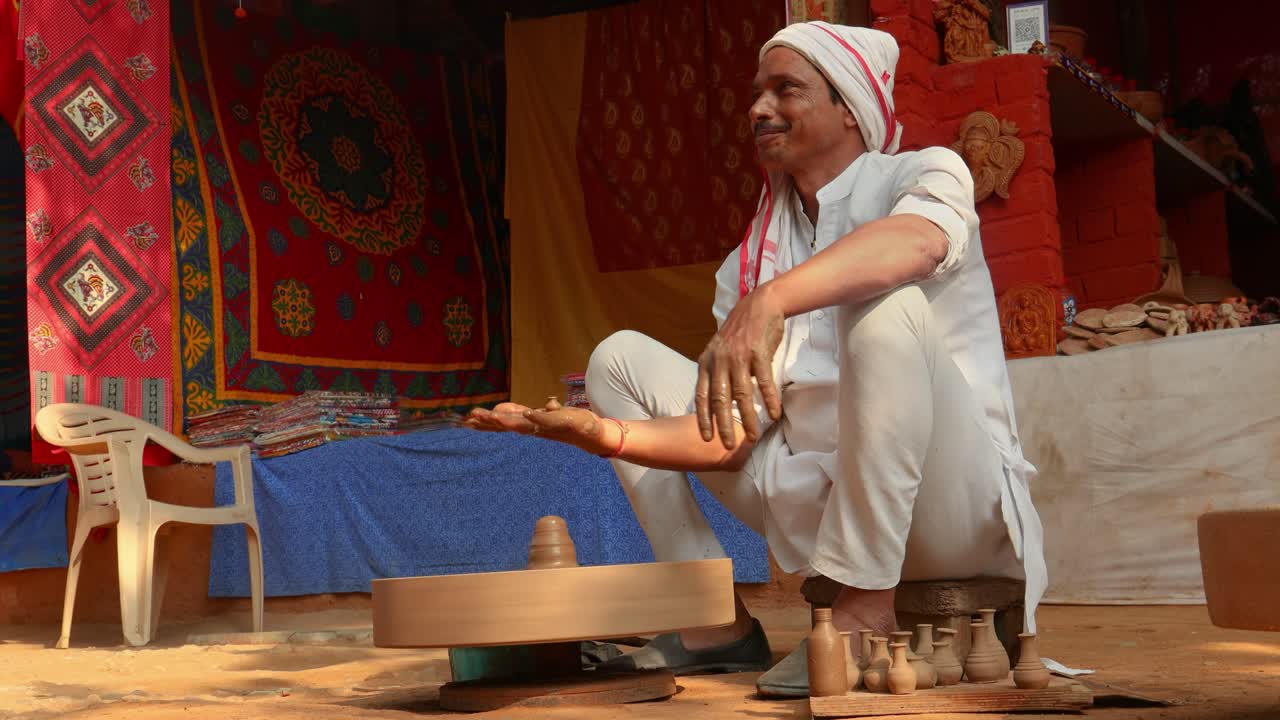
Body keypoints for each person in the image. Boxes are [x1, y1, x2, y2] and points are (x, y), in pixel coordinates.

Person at [465, 21, 1046, 697]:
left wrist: (772, 301)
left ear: (849, 107)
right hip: (821, 507)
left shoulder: (922, 172)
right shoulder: (751, 261)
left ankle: (859, 611)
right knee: (616, 361)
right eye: (756, 92)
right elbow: (734, 437)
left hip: (951, 509)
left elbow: (915, 244)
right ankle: (710, 624)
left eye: (786, 90)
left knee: (884, 309)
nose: (759, 108)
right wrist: (610, 436)